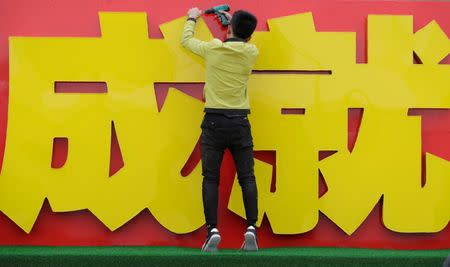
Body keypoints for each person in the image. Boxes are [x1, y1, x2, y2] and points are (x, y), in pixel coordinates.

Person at [181, 7, 259, 252]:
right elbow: (242, 42)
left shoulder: (213, 48)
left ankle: (212, 230)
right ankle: (251, 228)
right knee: (247, 177)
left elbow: (186, 41)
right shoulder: (251, 52)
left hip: (214, 122)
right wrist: (231, 28)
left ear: (230, 28)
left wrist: (193, 17)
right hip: (240, 122)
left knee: (210, 178)